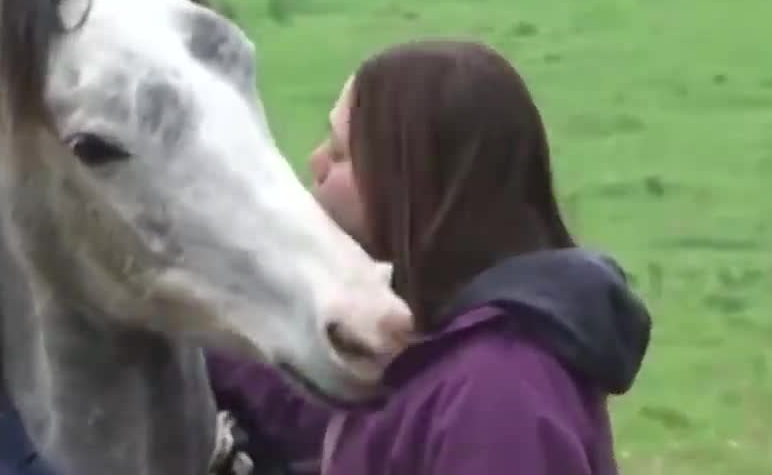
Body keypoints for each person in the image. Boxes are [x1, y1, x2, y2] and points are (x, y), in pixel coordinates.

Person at [207, 38, 653, 475]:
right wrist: (206, 329)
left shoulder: (497, 392)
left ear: (409, 183)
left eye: (341, 153)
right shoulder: (438, 351)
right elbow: (332, 423)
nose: (316, 161)